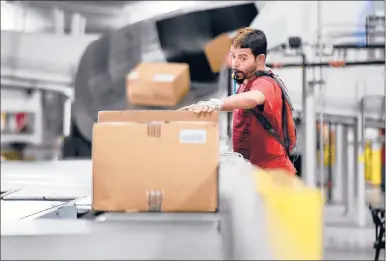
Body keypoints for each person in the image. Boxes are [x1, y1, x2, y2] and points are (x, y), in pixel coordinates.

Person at [179, 27, 296, 174]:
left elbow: (254, 98)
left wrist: (216, 104)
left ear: (260, 59)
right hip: (255, 173)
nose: (235, 64)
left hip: (274, 177)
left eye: (243, 58)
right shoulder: (246, 83)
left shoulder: (266, 83)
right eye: (233, 56)